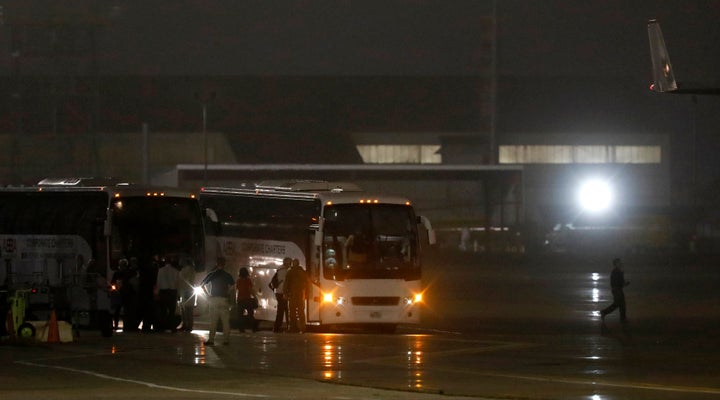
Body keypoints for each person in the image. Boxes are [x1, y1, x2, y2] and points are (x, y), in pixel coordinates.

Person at [199, 257, 235, 345]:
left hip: (214, 299)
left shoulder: (212, 274)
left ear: (217, 263)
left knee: (213, 321)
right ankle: (226, 340)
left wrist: (208, 295)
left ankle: (211, 340)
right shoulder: (227, 275)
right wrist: (228, 292)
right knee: (225, 321)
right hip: (224, 299)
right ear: (224, 264)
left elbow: (202, 285)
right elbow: (233, 286)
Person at [600, 258, 630, 323]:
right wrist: (624, 284)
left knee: (620, 304)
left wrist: (624, 283)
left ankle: (622, 318)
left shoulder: (618, 271)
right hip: (617, 290)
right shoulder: (616, 271)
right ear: (616, 264)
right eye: (619, 262)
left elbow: (620, 282)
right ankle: (604, 312)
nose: (620, 263)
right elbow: (618, 282)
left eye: (620, 262)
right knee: (619, 304)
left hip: (617, 289)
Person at [283, 258, 309, 333]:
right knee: (301, 312)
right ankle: (302, 328)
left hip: (292, 295)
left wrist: (285, 293)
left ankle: (293, 328)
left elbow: (286, 283)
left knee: (292, 312)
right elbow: (307, 283)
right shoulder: (302, 272)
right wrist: (307, 293)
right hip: (300, 295)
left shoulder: (290, 272)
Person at [156, 256, 180, 332]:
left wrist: (157, 292)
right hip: (172, 292)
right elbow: (177, 283)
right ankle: (172, 327)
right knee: (171, 310)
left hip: (163, 292)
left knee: (163, 310)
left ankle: (162, 327)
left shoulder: (160, 270)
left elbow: (158, 282)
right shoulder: (175, 271)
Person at [270, 257, 290, 333]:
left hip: (280, 293)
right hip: (282, 293)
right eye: (289, 263)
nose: (289, 264)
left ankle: (278, 327)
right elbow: (284, 282)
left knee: (282, 310)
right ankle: (277, 327)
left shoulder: (280, 269)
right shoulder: (283, 271)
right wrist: (286, 293)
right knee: (283, 311)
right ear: (285, 263)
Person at [235, 267, 258, 332]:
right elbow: (250, 289)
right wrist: (255, 297)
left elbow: (237, 289)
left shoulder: (238, 280)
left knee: (240, 315)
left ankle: (241, 329)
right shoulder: (248, 280)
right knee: (250, 314)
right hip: (247, 299)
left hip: (240, 300)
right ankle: (254, 328)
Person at [179, 260, 196, 332]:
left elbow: (182, 281)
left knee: (184, 310)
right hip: (191, 291)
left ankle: (186, 325)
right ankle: (189, 326)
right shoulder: (193, 270)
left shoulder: (184, 270)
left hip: (185, 291)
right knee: (189, 310)